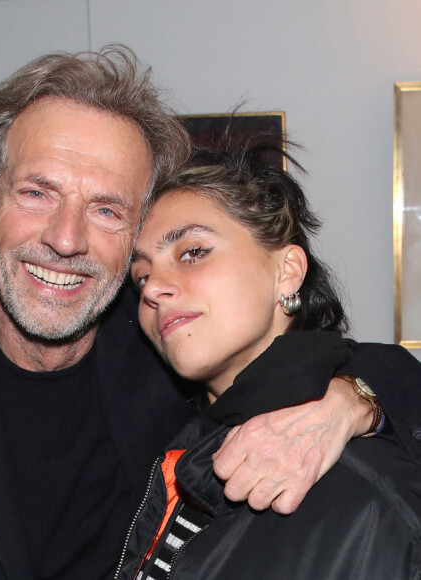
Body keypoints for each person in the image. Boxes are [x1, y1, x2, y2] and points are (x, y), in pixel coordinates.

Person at [0, 45, 420, 579]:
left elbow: (364, 367)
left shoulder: (168, 349)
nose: (67, 239)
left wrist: (352, 402)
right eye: (37, 193)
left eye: (107, 210)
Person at [117, 133, 421, 579]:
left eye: (193, 252)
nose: (155, 287)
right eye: (141, 277)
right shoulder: (173, 446)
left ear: (287, 271)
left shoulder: (369, 496)